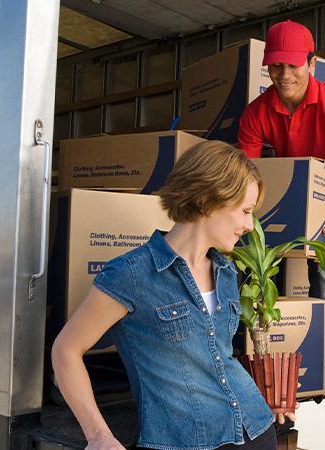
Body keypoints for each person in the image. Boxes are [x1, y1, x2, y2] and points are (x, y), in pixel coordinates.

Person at [52, 141, 292, 450]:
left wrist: (271, 393)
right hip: (184, 442)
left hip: (256, 428)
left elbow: (217, 359)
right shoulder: (131, 274)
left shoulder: (227, 273)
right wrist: (99, 436)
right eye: (245, 211)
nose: (249, 225)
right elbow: (65, 350)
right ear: (206, 201)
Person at [238, 20, 325, 381]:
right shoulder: (256, 111)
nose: (284, 74)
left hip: (324, 204)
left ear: (311, 63)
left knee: (324, 266)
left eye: (293, 64)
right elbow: (244, 173)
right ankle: (243, 347)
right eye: (276, 65)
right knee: (246, 263)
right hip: (277, 199)